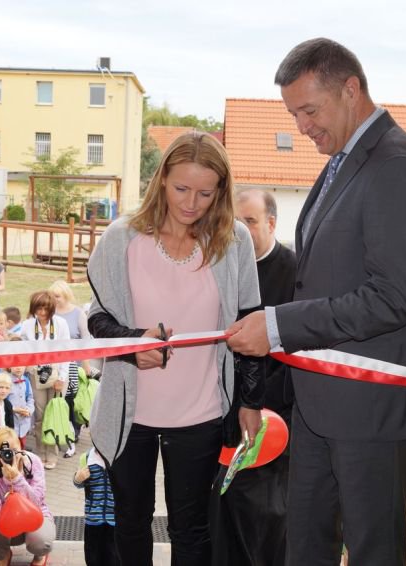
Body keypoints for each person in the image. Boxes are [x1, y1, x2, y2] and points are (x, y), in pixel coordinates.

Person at [227, 38, 406, 566]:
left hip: (371, 406)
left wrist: (278, 326)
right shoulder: (343, 161)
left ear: (350, 90)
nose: (302, 127)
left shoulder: (398, 163)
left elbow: (392, 298)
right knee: (306, 545)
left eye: (309, 110)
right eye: (293, 114)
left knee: (373, 551)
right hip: (321, 403)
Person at [86, 131, 264, 566]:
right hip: (130, 415)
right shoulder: (121, 238)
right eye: (182, 188)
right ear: (162, 178)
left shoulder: (234, 241)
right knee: (131, 523)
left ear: (221, 191)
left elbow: (250, 326)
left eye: (205, 193)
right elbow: (97, 320)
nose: (191, 203)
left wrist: (250, 401)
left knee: (191, 529)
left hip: (201, 413)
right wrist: (132, 344)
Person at [210, 188, 298, 566]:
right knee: (220, 513)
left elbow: (298, 347)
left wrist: (259, 400)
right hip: (222, 412)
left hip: (274, 417)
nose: (240, 231)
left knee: (265, 519)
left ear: (271, 224)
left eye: (249, 221)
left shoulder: (295, 272)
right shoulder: (220, 263)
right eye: (235, 222)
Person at [0, 427, 55, 566]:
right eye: (4, 452)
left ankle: (40, 557)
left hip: (35, 516)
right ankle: (3, 553)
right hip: (7, 520)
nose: (9, 455)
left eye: (13, 450)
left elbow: (36, 502)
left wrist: (16, 479)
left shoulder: (32, 462)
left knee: (41, 542)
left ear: (21, 447)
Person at [19, 290, 72, 469]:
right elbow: (23, 349)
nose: (42, 313)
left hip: (57, 373)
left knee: (54, 413)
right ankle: (41, 452)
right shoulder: (27, 325)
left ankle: (52, 453)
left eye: (45, 309)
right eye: (38, 309)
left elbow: (66, 352)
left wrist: (62, 377)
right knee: (40, 416)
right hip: (36, 375)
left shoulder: (61, 324)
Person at [49, 279, 91, 455]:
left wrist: (86, 365)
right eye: (52, 296)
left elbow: (85, 340)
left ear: (65, 295)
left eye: (57, 296)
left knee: (73, 400)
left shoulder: (78, 313)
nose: (54, 299)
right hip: (55, 364)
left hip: (74, 364)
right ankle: (61, 430)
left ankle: (74, 429)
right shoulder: (50, 312)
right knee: (60, 400)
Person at [74, 447, 119, 566]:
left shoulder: (120, 456)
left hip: (115, 519)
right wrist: (78, 479)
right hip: (93, 519)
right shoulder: (87, 458)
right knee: (93, 557)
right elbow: (78, 482)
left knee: (114, 558)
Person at [6, 363, 35, 447]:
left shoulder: (26, 381)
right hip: (11, 423)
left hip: (23, 423)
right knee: (11, 446)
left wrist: (29, 410)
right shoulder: (6, 381)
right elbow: (2, 401)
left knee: (21, 446)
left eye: (21, 365)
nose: (18, 368)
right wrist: (13, 409)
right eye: (15, 365)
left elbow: (30, 398)